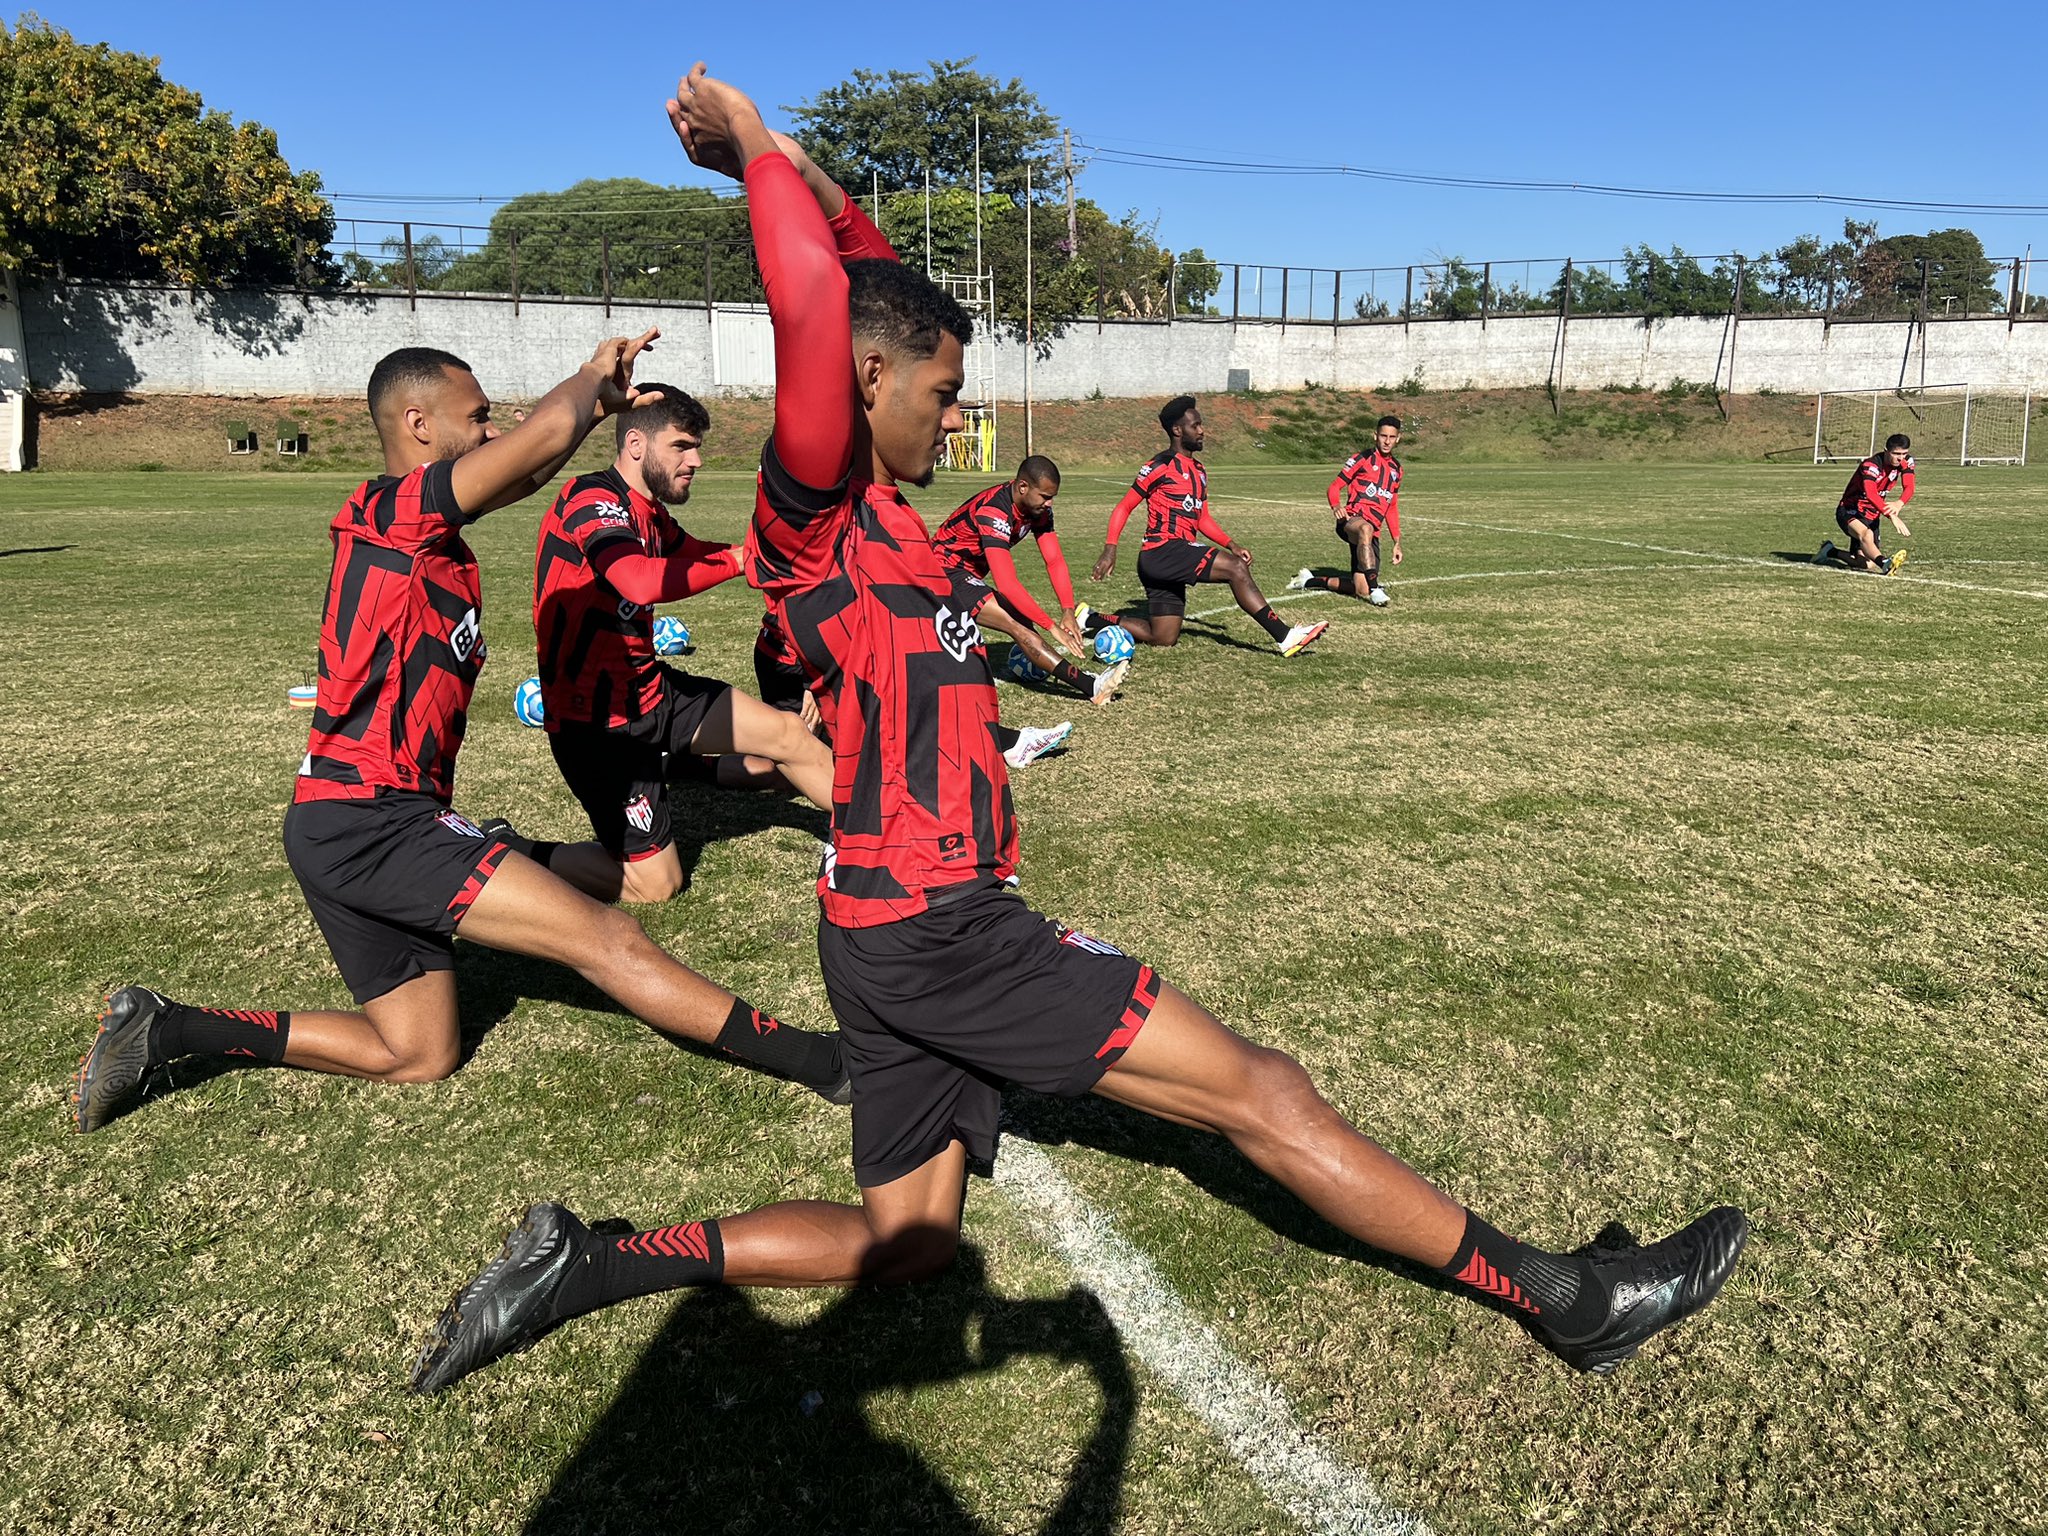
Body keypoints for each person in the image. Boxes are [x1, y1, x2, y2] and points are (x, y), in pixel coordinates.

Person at [409, 70, 1749, 1397]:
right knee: (1264, 1096)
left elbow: (868, 273)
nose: (956, 416)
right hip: (943, 931)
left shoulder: (881, 505)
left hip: (881, 933)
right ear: (867, 384)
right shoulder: (815, 512)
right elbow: (821, 302)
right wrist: (753, 146)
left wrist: (795, 169)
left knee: (904, 1243)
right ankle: (1571, 1301)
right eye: (939, 395)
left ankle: (588, 1262)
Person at [71, 337, 849, 1134]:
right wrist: (590, 382)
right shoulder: (393, 510)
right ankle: (824, 1063)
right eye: (474, 418)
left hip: (337, 827)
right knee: (607, 938)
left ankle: (168, 1028)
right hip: (376, 816)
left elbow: (528, 466)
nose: (487, 433)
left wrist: (588, 426)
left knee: (418, 1053)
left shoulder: (430, 539)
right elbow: (538, 445)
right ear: (416, 423)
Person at [530, 387, 834, 905]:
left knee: (788, 734)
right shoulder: (591, 499)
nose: (694, 461)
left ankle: (880, 836)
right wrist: (740, 562)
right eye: (682, 447)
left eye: (697, 448)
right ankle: (513, 852)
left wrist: (761, 556)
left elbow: (694, 552)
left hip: (649, 691)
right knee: (658, 886)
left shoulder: (650, 513)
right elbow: (638, 580)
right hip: (597, 727)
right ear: (635, 444)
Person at [1087, 398, 1327, 656]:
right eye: (1196, 425)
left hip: (1172, 557)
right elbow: (1124, 506)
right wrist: (1110, 548)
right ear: (1178, 431)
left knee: (1163, 636)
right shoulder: (1159, 465)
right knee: (1235, 568)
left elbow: (1202, 519)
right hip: (1162, 551)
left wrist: (1232, 544)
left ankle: (1090, 620)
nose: (1202, 431)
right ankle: (1285, 636)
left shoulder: (1199, 470)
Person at [933, 457, 1127, 705]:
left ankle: (1090, 685)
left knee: (1023, 621)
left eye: (1052, 496)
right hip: (940, 573)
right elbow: (1007, 584)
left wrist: (1067, 609)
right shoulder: (994, 511)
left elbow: (1054, 560)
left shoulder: (1037, 510)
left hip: (964, 574)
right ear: (1023, 487)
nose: (1050, 503)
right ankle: (1093, 686)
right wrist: (1051, 626)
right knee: (1018, 624)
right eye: (1045, 496)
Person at [1290, 414, 1403, 605]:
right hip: (1351, 521)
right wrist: (1336, 507)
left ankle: (1310, 581)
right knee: (1364, 529)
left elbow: (1391, 506)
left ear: (1398, 439)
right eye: (1383, 436)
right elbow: (1334, 487)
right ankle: (1376, 589)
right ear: (1375, 435)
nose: (1387, 441)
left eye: (1391, 437)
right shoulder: (1362, 459)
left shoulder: (1397, 470)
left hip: (1373, 531)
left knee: (1361, 589)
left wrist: (1397, 541)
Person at [1817, 434, 1913, 575]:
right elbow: (1871, 494)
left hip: (1872, 515)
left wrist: (1899, 503)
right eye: (1896, 454)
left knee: (1867, 564)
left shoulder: (1906, 461)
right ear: (1886, 450)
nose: (1900, 458)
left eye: (1904, 453)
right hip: (1850, 509)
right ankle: (1886, 564)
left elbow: (1909, 487)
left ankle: (1830, 551)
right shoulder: (1871, 465)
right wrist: (1890, 515)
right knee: (1866, 534)